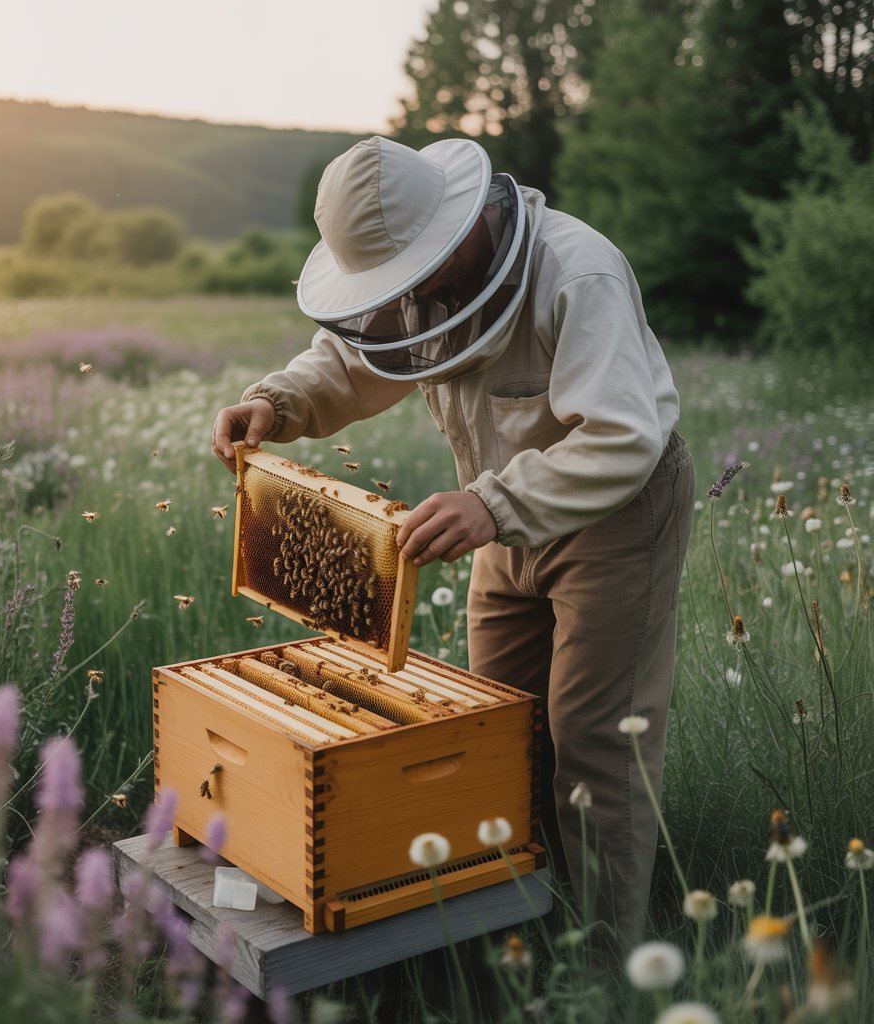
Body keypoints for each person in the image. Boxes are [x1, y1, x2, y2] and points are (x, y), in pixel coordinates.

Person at [211, 135, 694, 953]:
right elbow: (357, 355)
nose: (406, 296)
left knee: (596, 748)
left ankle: (608, 968)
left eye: (413, 274)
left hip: (614, 517)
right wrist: (279, 400)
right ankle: (518, 933)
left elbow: (621, 437)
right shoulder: (424, 278)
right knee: (492, 734)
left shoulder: (580, 272)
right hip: (498, 515)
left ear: (462, 224)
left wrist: (490, 505)